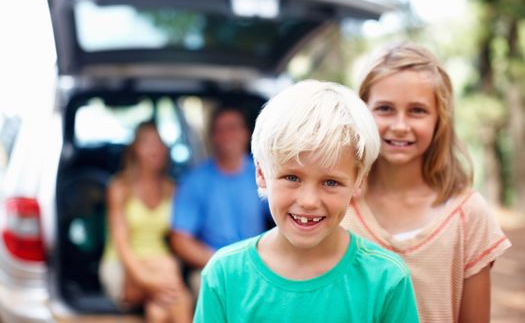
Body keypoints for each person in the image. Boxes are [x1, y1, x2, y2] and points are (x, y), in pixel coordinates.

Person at [194, 80, 420, 322]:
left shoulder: (386, 280)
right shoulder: (225, 275)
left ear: (359, 182)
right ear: (261, 174)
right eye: (292, 177)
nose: (309, 201)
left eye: (331, 182)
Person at [341, 42, 512, 323]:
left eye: (417, 111)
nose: (400, 125)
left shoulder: (468, 215)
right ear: (363, 112)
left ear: (439, 119)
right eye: (384, 108)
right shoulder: (339, 206)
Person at [99, 122, 193, 323]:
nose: (155, 149)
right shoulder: (119, 187)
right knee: (175, 289)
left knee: (159, 311)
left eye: (159, 143)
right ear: (135, 150)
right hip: (123, 265)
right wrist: (149, 280)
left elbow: (179, 236)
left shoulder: (172, 188)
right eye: (147, 143)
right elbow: (122, 245)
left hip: (162, 267)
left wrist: (159, 283)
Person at [170, 105, 269, 291]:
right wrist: (225, 264)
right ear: (212, 137)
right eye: (220, 130)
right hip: (212, 265)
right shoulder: (195, 181)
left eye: (233, 128)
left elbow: (284, 216)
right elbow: (180, 240)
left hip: (259, 263)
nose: (227, 135)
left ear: (246, 133)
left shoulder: (263, 174)